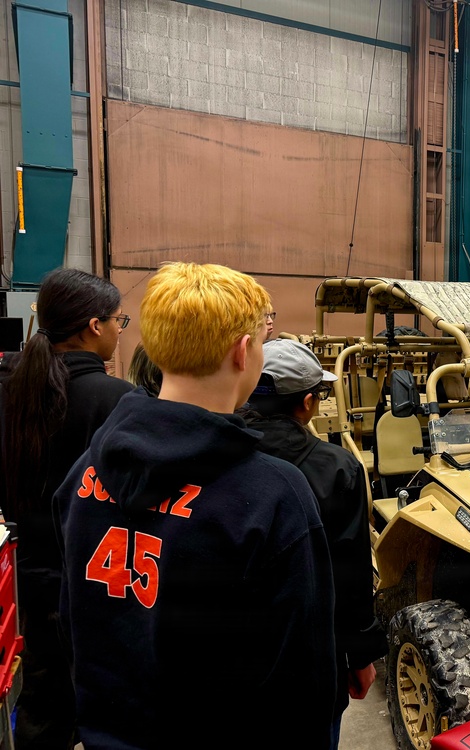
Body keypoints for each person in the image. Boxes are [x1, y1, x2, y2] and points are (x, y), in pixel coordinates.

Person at [53, 262, 337, 749]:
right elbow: (301, 671)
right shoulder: (273, 495)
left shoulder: (85, 473)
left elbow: (73, 619)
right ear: (244, 352)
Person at [0, 267, 133, 750]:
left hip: (27, 579)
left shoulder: (10, 384)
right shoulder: (117, 400)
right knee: (107, 705)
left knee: (41, 702)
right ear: (93, 326)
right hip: (97, 582)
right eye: (120, 320)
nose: (122, 331)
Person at [242, 338, 386, 749]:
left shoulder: (215, 450)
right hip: (306, 656)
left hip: (226, 653)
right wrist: (359, 655)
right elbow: (350, 574)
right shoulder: (335, 469)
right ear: (307, 403)